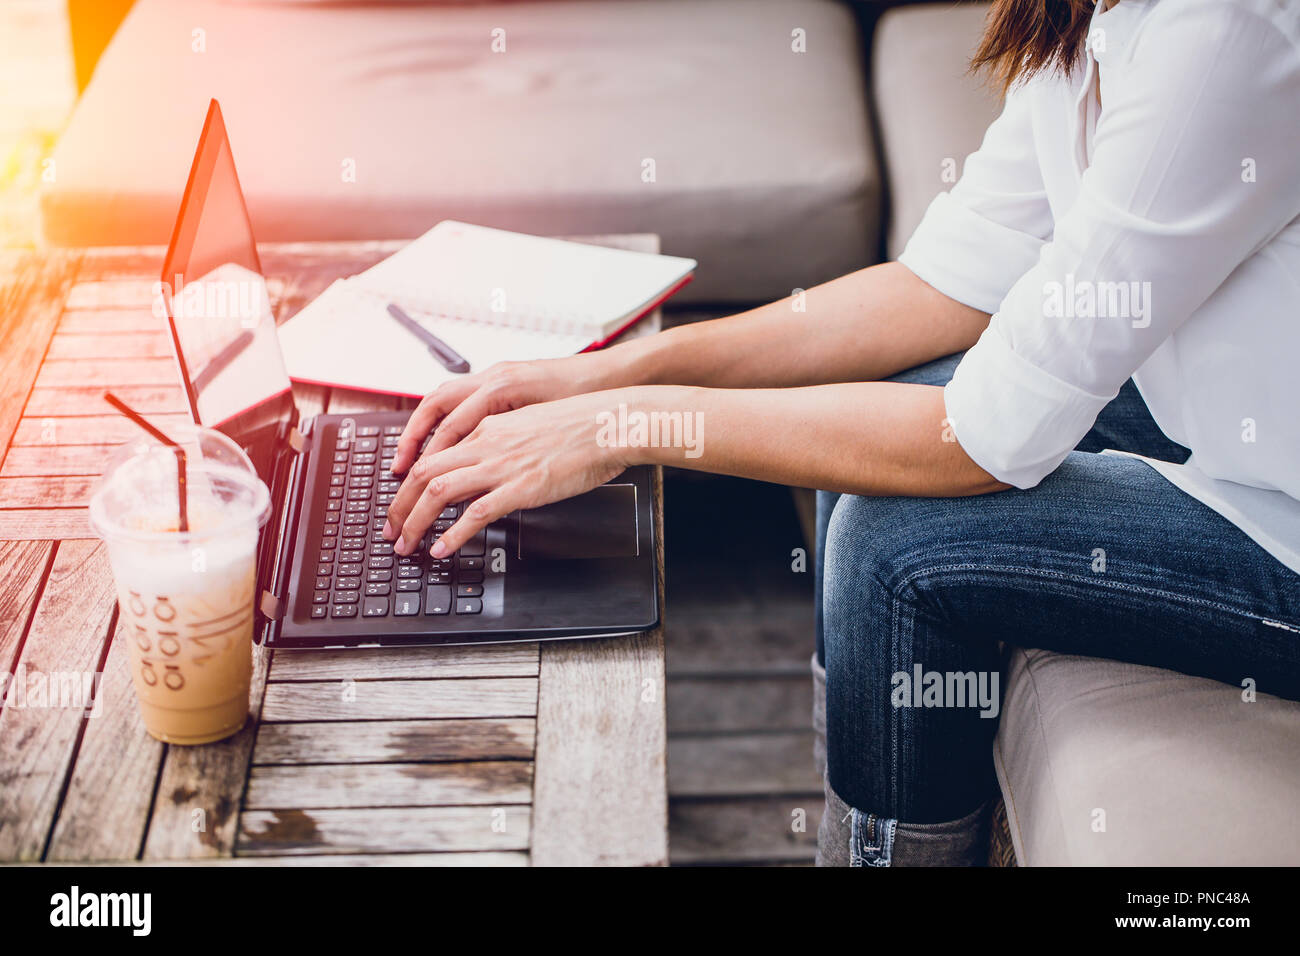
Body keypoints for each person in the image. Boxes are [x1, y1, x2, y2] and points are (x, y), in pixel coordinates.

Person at [383, 0, 1300, 865]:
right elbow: (942, 288)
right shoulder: (1090, 17)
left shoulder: (1224, 35)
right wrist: (609, 372)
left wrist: (626, 426)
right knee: (870, 416)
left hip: (1282, 527)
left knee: (893, 542)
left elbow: (975, 438)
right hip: (1243, 438)